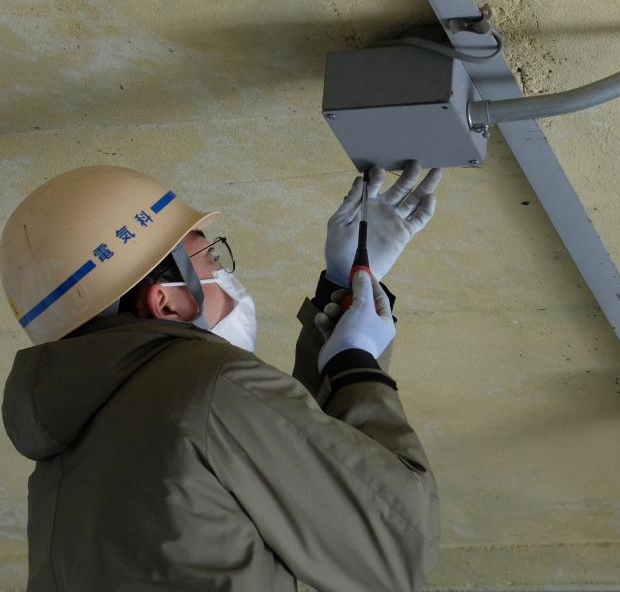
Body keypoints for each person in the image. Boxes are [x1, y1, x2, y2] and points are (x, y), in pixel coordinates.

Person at [0, 162, 443, 592]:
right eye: (210, 256)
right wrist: (355, 364)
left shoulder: (68, 457)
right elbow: (396, 546)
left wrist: (342, 288)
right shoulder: (207, 388)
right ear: (167, 303)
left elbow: (280, 466)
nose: (224, 272)